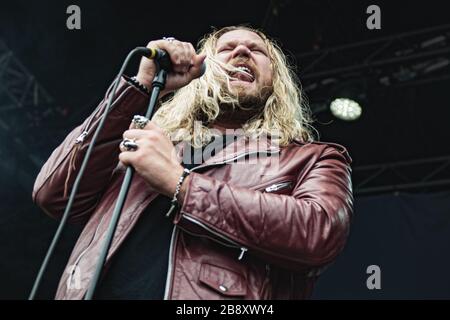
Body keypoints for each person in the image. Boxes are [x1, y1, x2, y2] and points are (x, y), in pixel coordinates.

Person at [33, 25, 354, 300]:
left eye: (257, 50)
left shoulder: (310, 157)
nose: (241, 49)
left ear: (276, 81)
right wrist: (140, 87)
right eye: (226, 47)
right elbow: (55, 194)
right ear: (203, 70)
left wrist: (181, 185)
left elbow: (319, 233)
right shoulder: (150, 138)